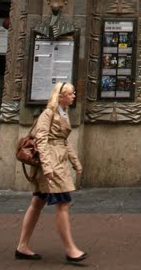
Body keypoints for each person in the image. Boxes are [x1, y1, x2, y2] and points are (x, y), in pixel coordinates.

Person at [15, 82, 86, 263]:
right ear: (60, 96)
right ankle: (71, 249)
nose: (73, 96)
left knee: (37, 202)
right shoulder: (48, 114)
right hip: (52, 165)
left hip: (59, 161)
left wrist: (76, 162)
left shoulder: (64, 113)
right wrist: (47, 167)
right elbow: (41, 141)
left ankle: (22, 246)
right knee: (63, 204)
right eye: (70, 94)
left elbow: (64, 141)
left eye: (73, 93)